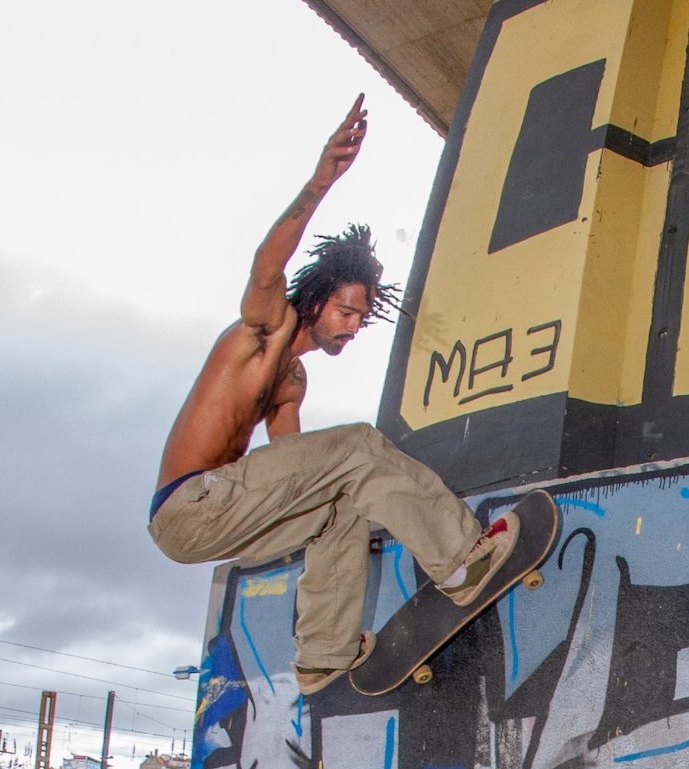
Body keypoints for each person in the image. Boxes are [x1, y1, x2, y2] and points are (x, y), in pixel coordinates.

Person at [148, 96, 518, 695]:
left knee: (338, 506)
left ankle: (323, 654)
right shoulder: (262, 331)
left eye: (360, 318)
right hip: (188, 505)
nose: (350, 325)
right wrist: (323, 179)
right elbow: (267, 269)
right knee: (360, 446)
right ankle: (461, 561)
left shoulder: (291, 380)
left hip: (218, 518)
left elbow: (293, 471)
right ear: (316, 297)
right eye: (344, 309)